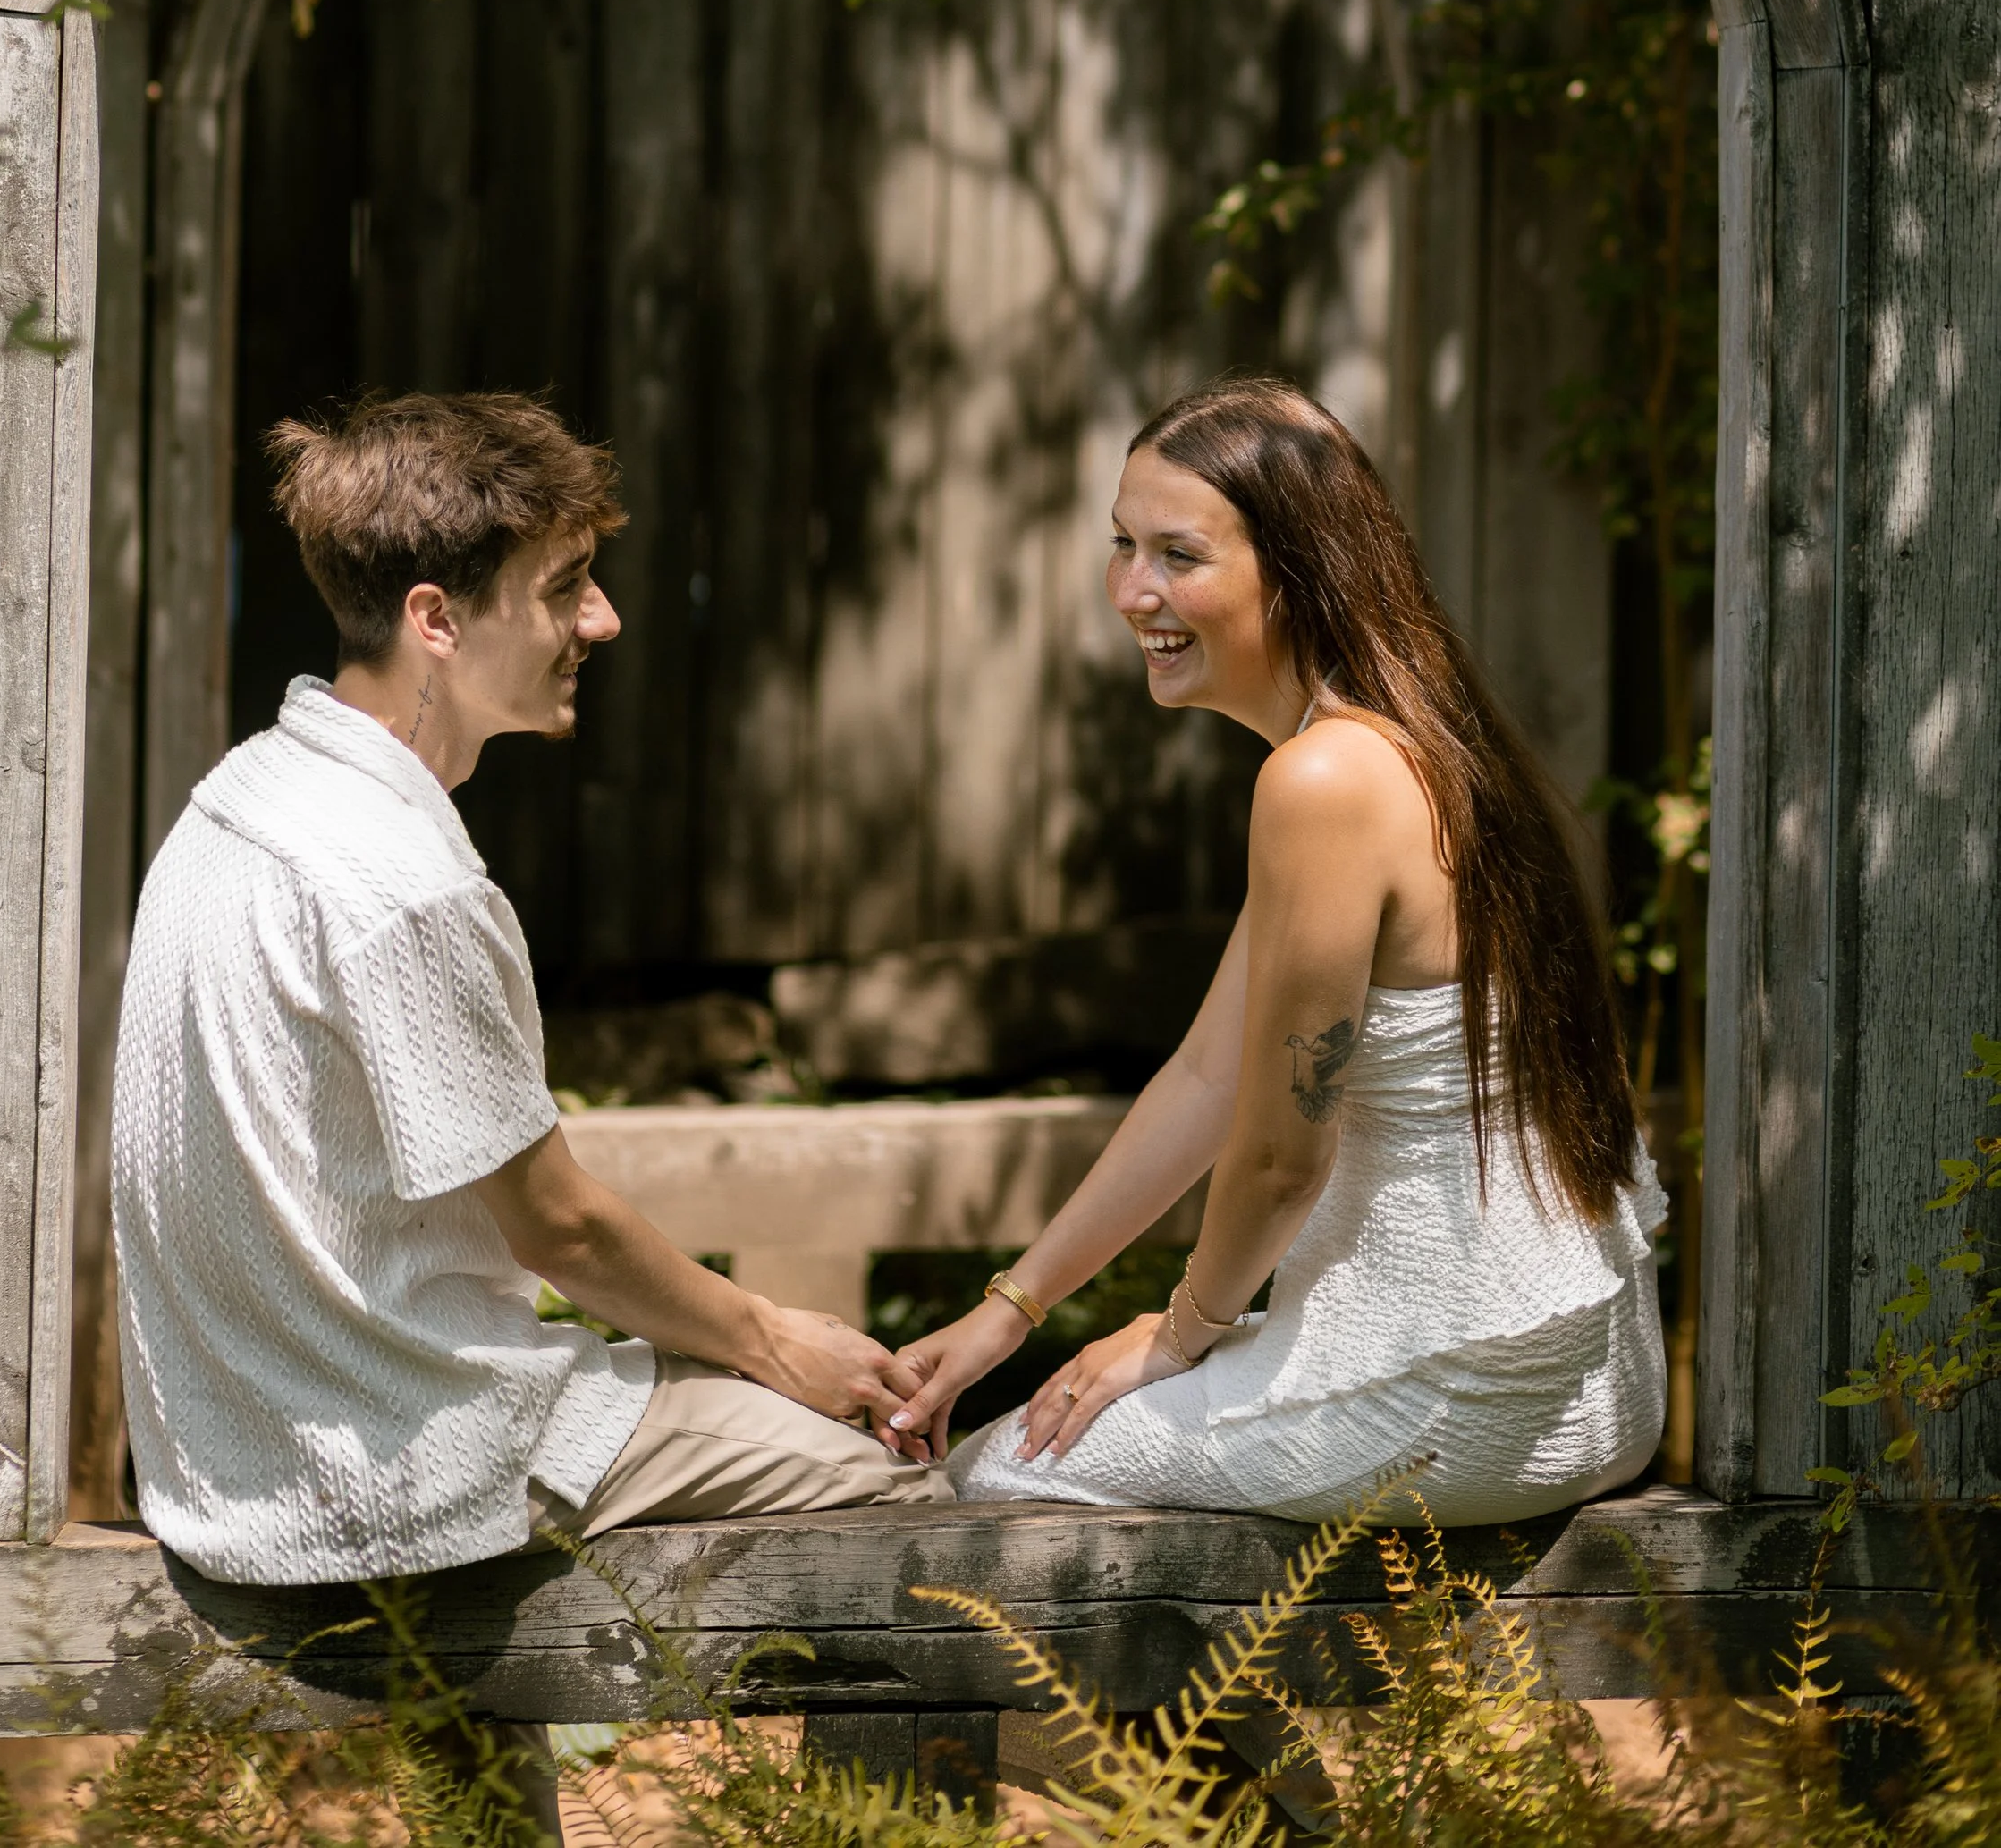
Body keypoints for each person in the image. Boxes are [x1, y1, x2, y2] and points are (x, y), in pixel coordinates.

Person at [113, 387, 947, 1614]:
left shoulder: (234, 799)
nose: (601, 620)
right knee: (906, 1488)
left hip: (243, 1464)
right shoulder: (405, 881)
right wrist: (775, 1337)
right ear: (435, 618)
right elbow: (557, 1227)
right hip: (404, 1463)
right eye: (564, 586)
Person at [887, 375, 1666, 1528]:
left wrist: (1179, 1332)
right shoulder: (1408, 738)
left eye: (1179, 555)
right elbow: (1208, 1083)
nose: (1131, 590)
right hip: (1581, 1368)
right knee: (1045, 1429)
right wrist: (1011, 1307)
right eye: (1122, 544)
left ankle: (1197, 1725)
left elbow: (1278, 1161)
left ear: (1298, 573)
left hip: (1467, 1386)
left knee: (1001, 1484)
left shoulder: (1322, 780)